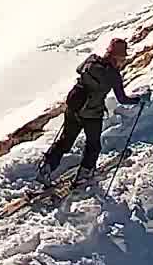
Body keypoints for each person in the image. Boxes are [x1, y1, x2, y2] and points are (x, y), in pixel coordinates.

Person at [41, 36, 147, 176]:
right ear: (117, 57)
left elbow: (79, 69)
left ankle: (46, 169)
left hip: (74, 107)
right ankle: (84, 174)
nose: (123, 61)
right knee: (93, 145)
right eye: (122, 58)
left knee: (65, 141)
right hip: (92, 114)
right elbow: (122, 99)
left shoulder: (91, 60)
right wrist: (139, 100)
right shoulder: (113, 75)